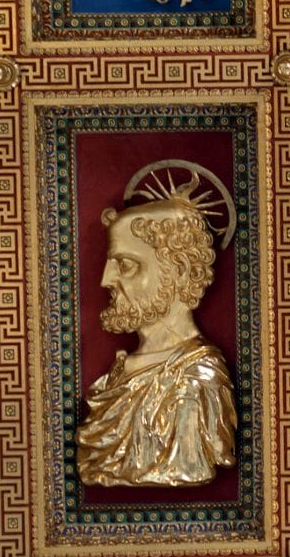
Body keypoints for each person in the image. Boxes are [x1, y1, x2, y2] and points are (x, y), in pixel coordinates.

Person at [77, 172, 236, 488]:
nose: (106, 280)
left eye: (126, 265)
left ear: (178, 271)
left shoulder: (197, 381)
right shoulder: (120, 371)